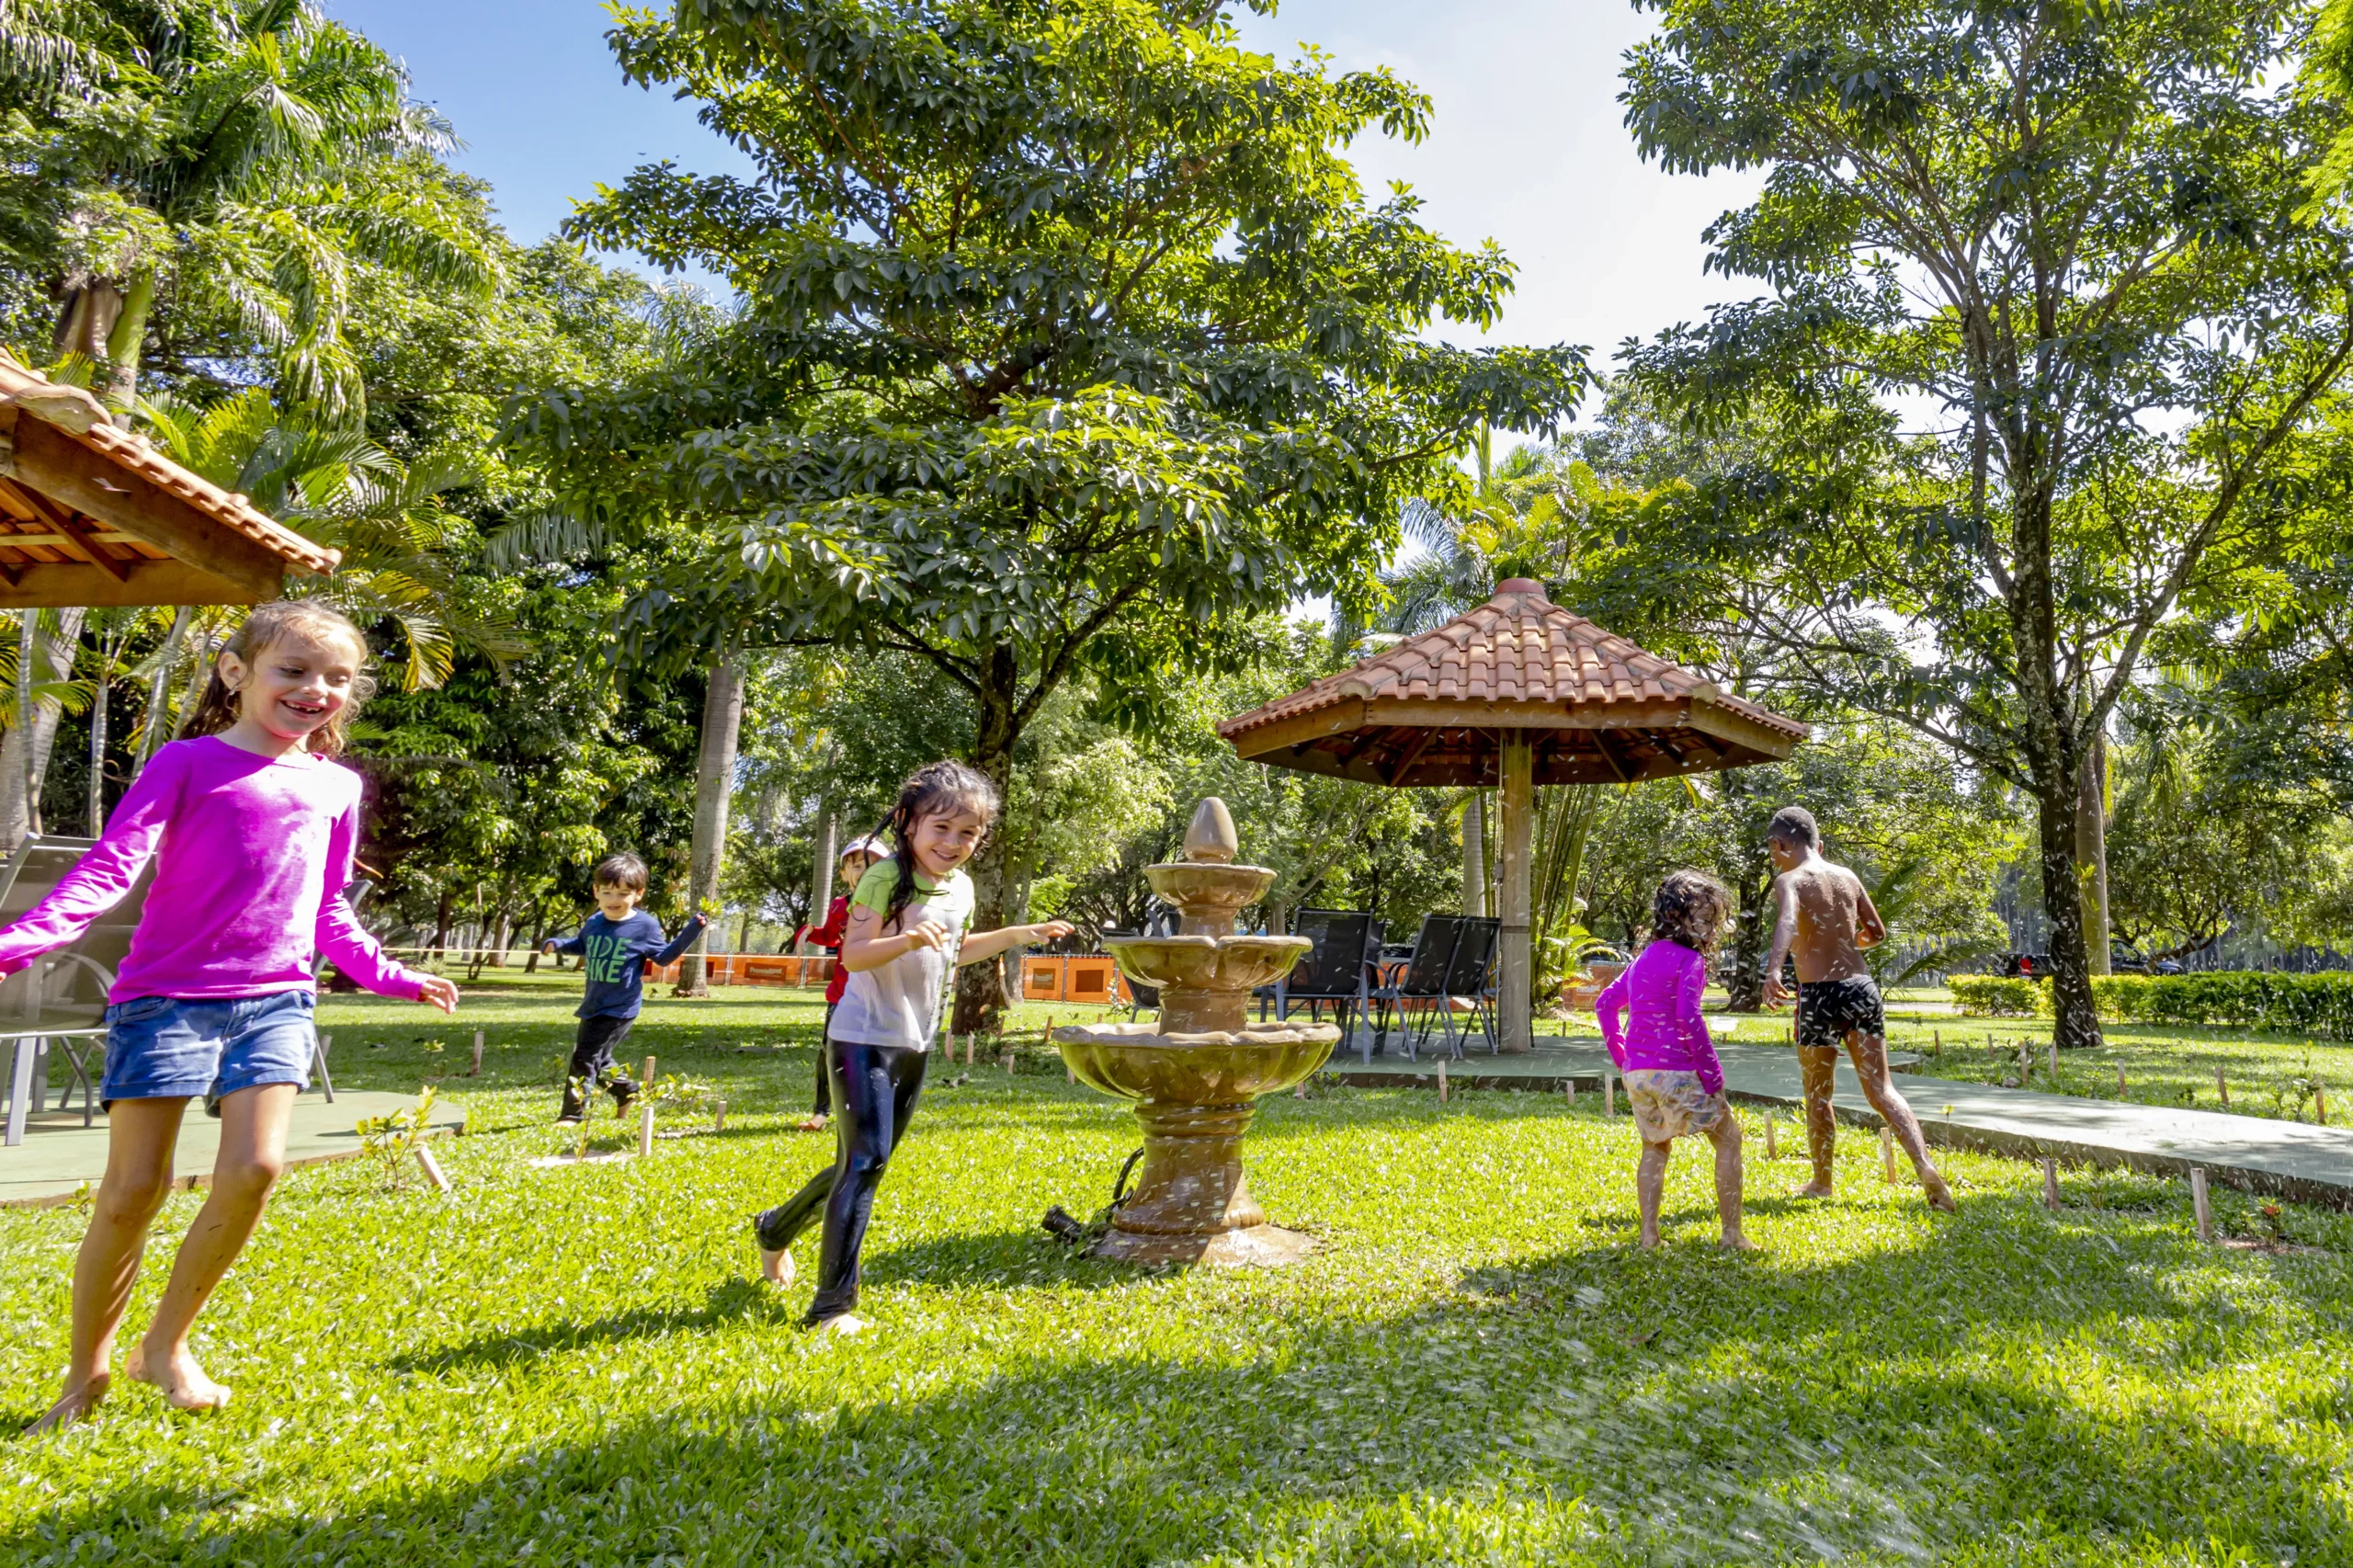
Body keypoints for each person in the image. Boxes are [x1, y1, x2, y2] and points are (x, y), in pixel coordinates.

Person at [9, 601, 460, 1432]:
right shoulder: (184, 764)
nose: (314, 690)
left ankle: (166, 1347)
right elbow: (112, 867)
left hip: (276, 1000)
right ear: (236, 672)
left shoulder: (336, 785)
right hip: (165, 1000)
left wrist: (390, 975)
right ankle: (86, 1376)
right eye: (292, 670)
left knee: (254, 1170)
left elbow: (330, 913)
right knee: (131, 1191)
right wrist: (25, 939)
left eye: (336, 678)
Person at [752, 760, 1072, 1335]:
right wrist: (901, 939)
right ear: (907, 823)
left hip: (915, 1041)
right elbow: (853, 956)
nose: (953, 843)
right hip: (861, 1037)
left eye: (968, 833)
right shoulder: (883, 879)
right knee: (866, 1162)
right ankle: (832, 1309)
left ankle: (776, 1229)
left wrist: (1017, 936)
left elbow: (956, 947)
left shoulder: (962, 886)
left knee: (863, 1163)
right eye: (941, 828)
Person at [1762, 805, 1956, 1210]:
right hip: (1861, 989)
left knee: (1818, 1094)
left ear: (1780, 845)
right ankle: (1923, 1166)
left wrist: (1775, 970)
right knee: (1882, 1090)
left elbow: (1787, 921)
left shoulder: (1789, 880)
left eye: (1773, 851)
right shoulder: (1847, 877)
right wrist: (1846, 946)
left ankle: (1822, 1182)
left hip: (1819, 995)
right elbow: (1877, 933)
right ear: (1820, 843)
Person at [1595, 870, 1753, 1251]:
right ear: (1679, 919)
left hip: (1639, 1075)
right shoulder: (1690, 962)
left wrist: (1623, 1058)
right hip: (1679, 1070)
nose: (1713, 929)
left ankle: (1649, 1236)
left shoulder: (1643, 959)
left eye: (1715, 921)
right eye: (1706, 920)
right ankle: (1732, 1235)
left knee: (1655, 1146)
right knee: (1729, 1139)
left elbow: (1605, 1005)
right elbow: (1688, 1018)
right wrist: (1712, 1076)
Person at [540, 854, 708, 1124]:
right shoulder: (594, 922)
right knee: (600, 1059)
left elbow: (663, 957)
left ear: (638, 894)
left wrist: (692, 931)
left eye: (623, 893)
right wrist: (557, 944)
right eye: (606, 892)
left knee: (584, 1057)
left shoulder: (644, 926)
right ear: (596, 891)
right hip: (593, 1003)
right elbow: (582, 945)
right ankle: (627, 1091)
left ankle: (573, 1114)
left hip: (619, 1007)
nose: (613, 900)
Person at [790, 836, 889, 1132]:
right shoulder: (838, 907)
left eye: (872, 864)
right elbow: (832, 937)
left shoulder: (896, 906)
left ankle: (873, 1113)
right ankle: (821, 1113)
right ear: (845, 874)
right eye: (857, 865)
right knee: (830, 1051)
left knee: (878, 1054)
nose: (864, 869)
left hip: (883, 994)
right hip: (843, 994)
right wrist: (809, 933)